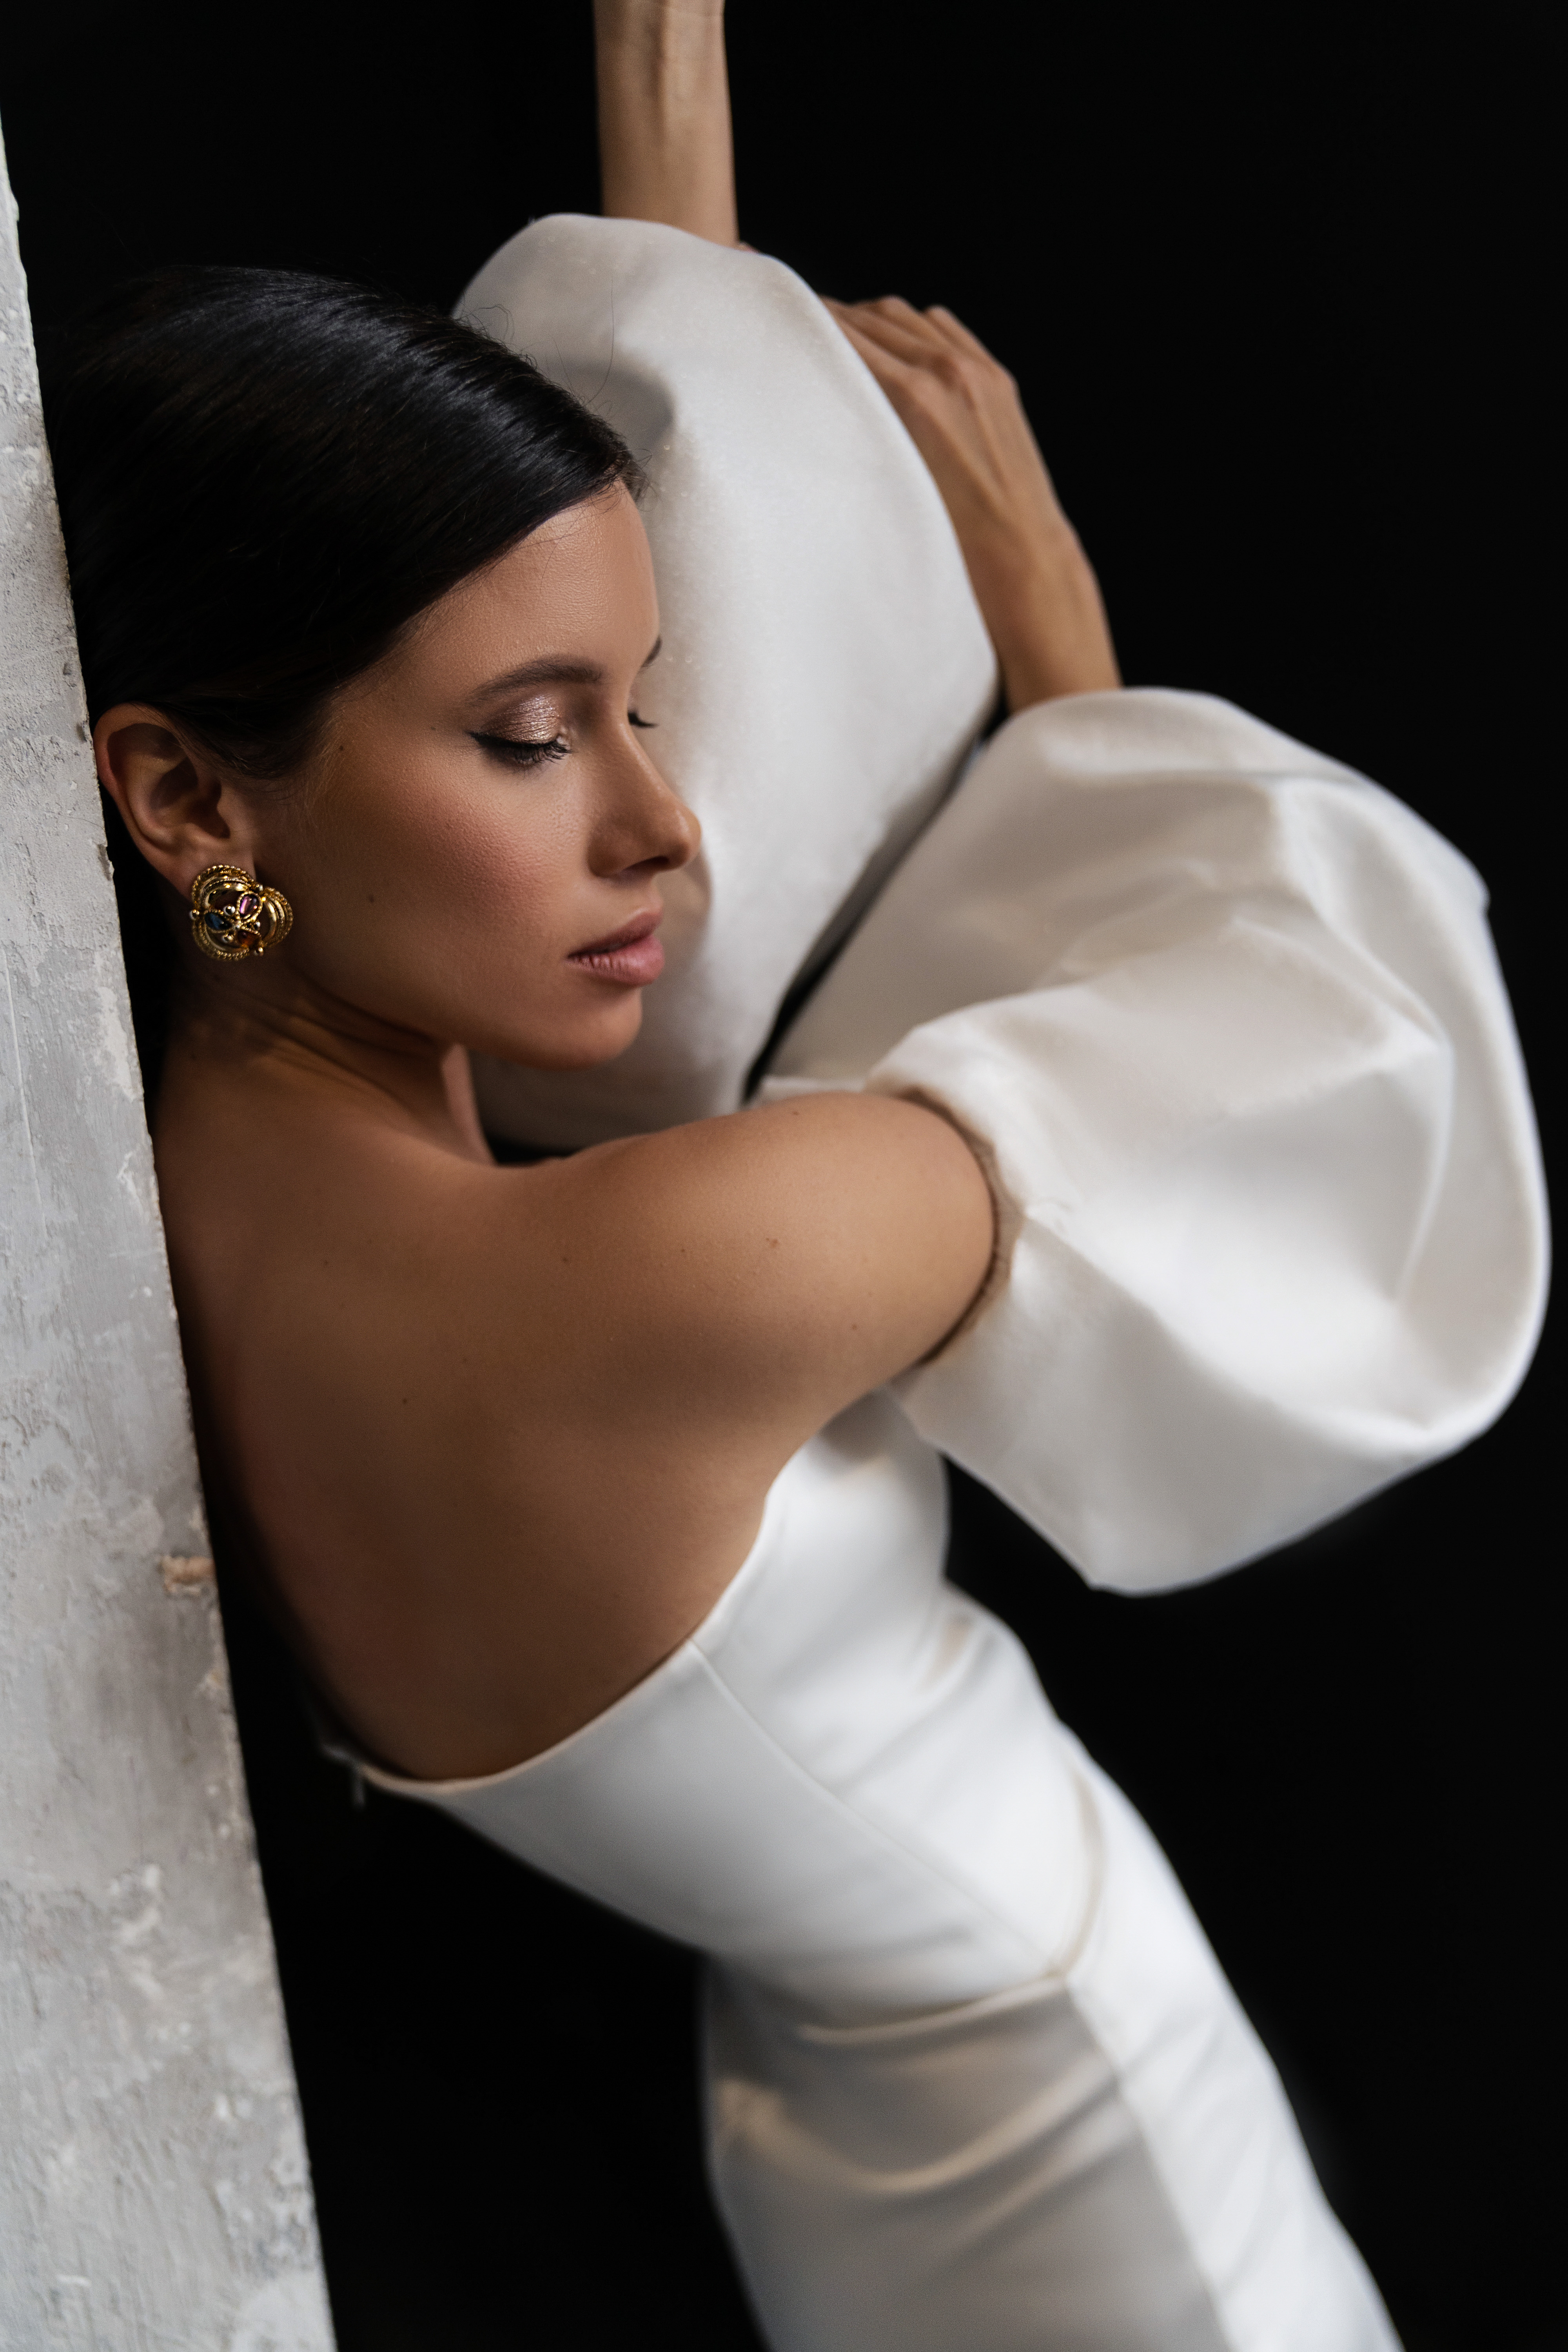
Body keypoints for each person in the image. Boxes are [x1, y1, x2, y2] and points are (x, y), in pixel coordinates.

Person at [47, 2, 1544, 2344]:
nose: (662, 815)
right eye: (536, 736)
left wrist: (667, 124)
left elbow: (692, 922)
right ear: (183, 797)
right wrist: (1067, 655)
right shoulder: (672, 1276)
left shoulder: (202, 1223)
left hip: (840, 2146)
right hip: (1106, 2145)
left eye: (645, 695)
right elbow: (1309, 1066)